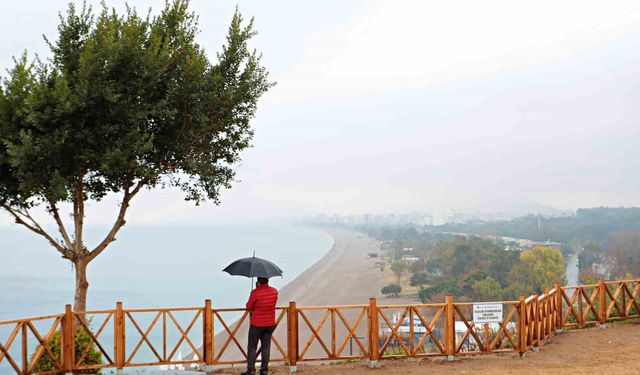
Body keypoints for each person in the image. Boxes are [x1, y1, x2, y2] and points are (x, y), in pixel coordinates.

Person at [242, 277, 278, 375]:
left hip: (257, 324)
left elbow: (249, 307)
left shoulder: (255, 292)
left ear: (258, 281)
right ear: (268, 280)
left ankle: (251, 370)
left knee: (252, 347)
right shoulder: (274, 291)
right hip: (270, 323)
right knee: (266, 347)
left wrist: (256, 290)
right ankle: (264, 370)